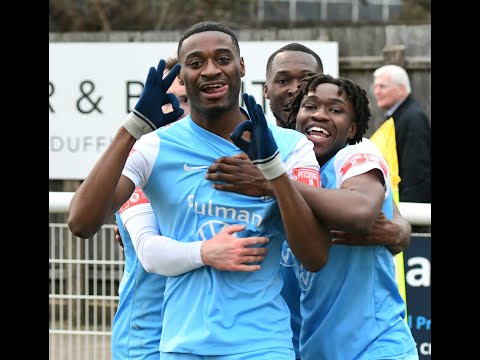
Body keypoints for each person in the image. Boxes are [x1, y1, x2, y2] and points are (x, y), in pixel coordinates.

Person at [69, 20, 332, 359]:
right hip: (181, 347)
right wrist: (134, 126)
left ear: (241, 67)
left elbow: (314, 256)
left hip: (262, 346)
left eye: (222, 59)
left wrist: (272, 173)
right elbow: (81, 222)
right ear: (182, 75)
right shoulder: (154, 146)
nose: (210, 70)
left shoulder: (290, 146)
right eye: (195, 63)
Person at [278, 72, 418, 359]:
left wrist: (274, 183)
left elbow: (363, 212)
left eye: (335, 109)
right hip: (308, 349)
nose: (320, 115)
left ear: (353, 128)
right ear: (266, 90)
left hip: (374, 348)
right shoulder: (273, 156)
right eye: (311, 105)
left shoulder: (355, 154)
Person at [111, 56, 191, 360]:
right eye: (171, 99)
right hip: (146, 339)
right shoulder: (137, 163)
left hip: (197, 335)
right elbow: (148, 251)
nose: (179, 109)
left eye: (187, 99)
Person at [372, 64, 431, 203]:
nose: (377, 91)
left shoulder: (412, 118)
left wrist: (409, 212)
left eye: (382, 86)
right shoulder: (399, 116)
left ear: (401, 89)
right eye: (375, 87)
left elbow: (416, 171)